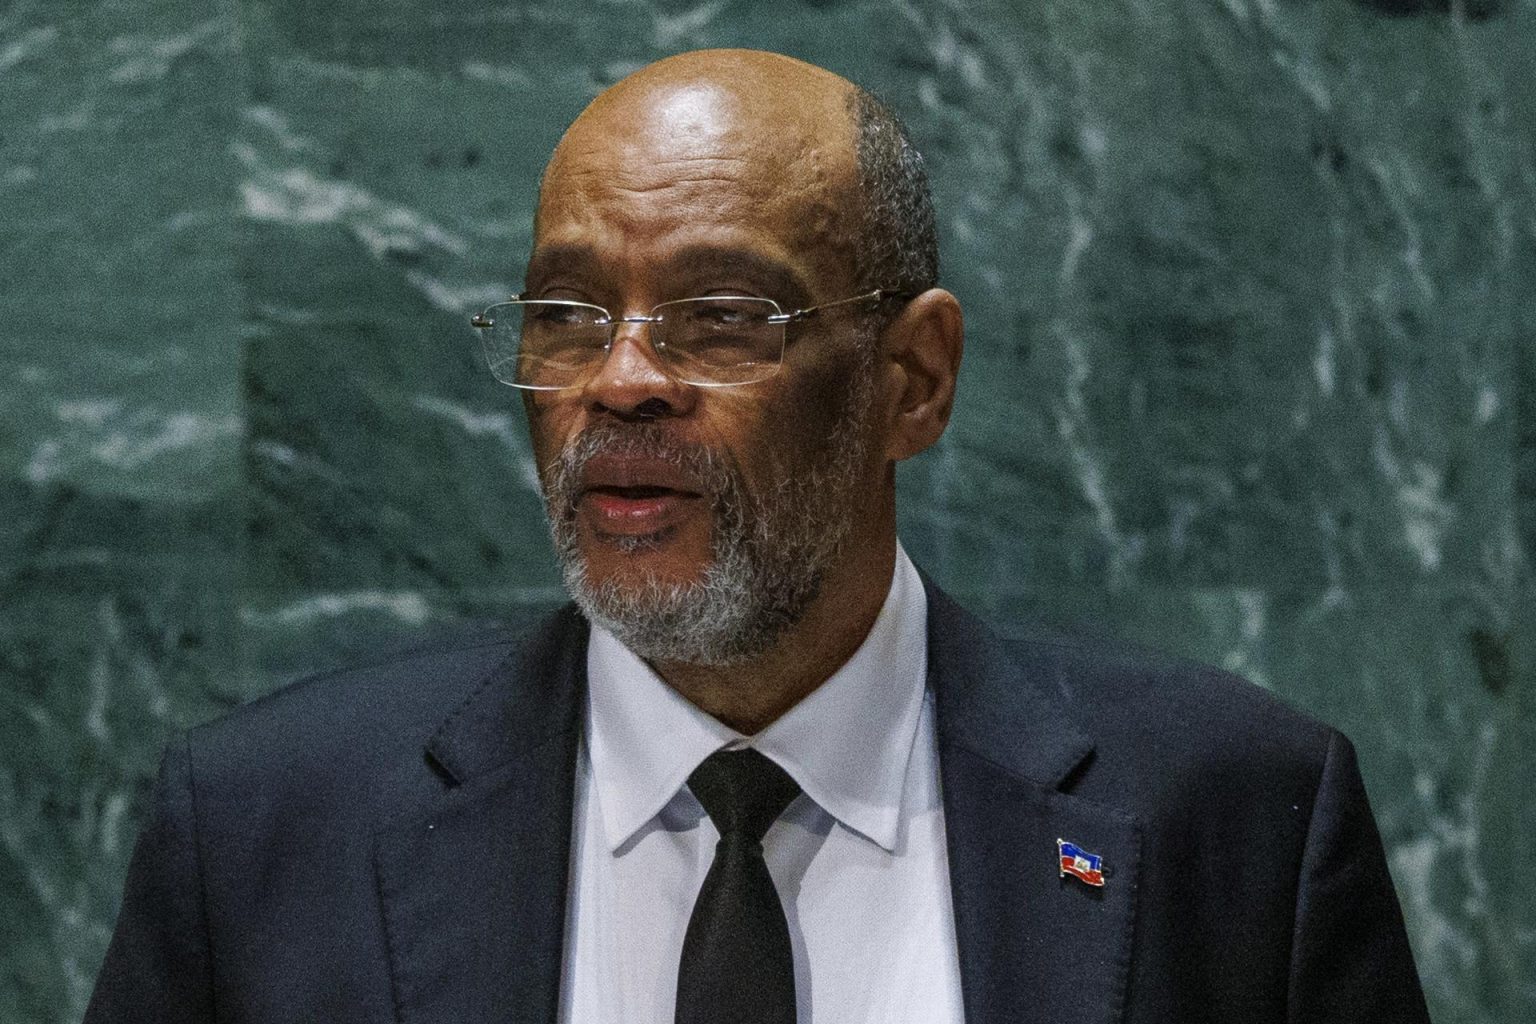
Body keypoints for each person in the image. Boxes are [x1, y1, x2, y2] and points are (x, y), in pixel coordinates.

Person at [86, 49, 1430, 1024]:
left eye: (722, 315)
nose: (619, 382)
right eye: (566, 315)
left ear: (913, 379)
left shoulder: (1237, 822)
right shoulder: (269, 833)